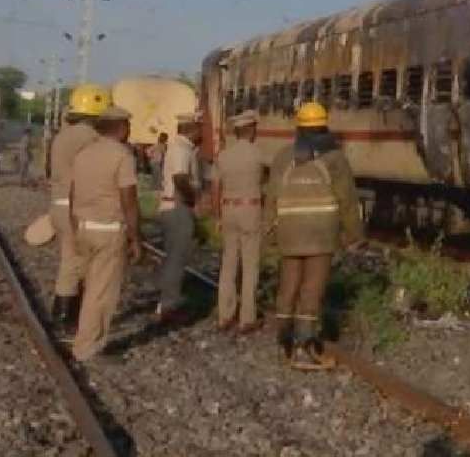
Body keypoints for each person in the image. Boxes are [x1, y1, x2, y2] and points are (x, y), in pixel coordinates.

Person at [265, 101, 361, 370]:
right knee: (311, 289)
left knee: (289, 284)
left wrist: (268, 233)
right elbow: (348, 201)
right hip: (320, 233)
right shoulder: (335, 158)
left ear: (299, 127)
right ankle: (304, 347)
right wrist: (354, 235)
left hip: (288, 232)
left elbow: (271, 198)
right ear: (324, 126)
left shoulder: (283, 157)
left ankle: (284, 339)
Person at [69, 106, 141, 362]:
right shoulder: (122, 156)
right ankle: (87, 348)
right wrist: (135, 237)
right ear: (121, 127)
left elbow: (72, 194)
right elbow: (128, 200)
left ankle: (82, 338)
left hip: (84, 227)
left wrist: (75, 226)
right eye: (128, 126)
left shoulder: (83, 154)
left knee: (90, 287)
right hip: (108, 231)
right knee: (101, 293)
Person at [47, 84, 111, 338]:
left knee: (70, 258)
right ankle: (65, 317)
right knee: (78, 263)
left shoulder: (62, 136)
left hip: (58, 203)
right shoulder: (92, 139)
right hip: (78, 206)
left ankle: (64, 313)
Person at [213, 110, 269, 332]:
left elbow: (215, 187)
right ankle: (247, 317)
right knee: (250, 264)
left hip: (228, 209)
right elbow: (266, 179)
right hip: (250, 209)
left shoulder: (224, 156)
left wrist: (217, 215)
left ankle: (225, 315)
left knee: (228, 263)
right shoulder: (258, 154)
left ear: (236, 132)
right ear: (252, 130)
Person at [154, 114, 200, 323]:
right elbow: (180, 178)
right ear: (191, 128)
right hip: (178, 206)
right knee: (176, 259)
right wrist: (193, 201)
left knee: (172, 257)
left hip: (172, 206)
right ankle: (169, 307)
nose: (201, 132)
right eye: (199, 127)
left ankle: (164, 303)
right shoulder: (181, 149)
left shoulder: (179, 147)